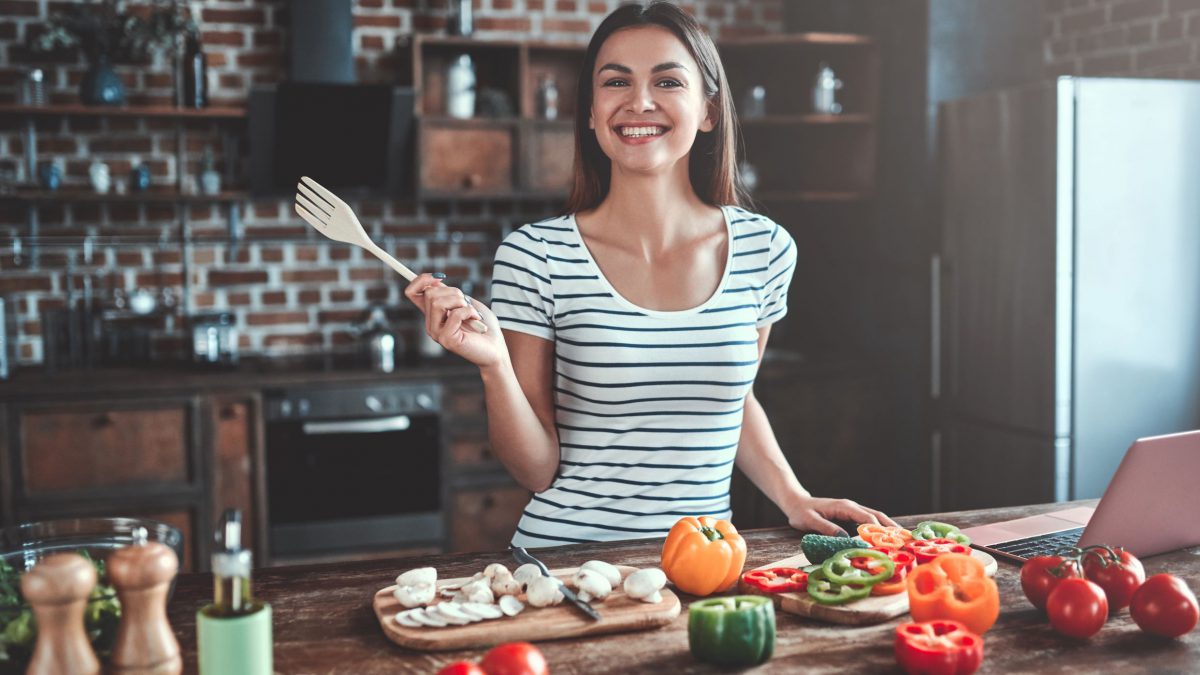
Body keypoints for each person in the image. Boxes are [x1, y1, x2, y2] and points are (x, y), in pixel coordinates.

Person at [405, 1, 898, 547]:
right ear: (591, 111)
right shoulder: (535, 255)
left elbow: (734, 399)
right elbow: (536, 471)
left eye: (667, 80)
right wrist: (494, 365)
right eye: (616, 82)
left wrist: (792, 495)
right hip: (570, 567)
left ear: (709, 110)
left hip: (705, 567)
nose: (639, 101)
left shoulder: (766, 249)